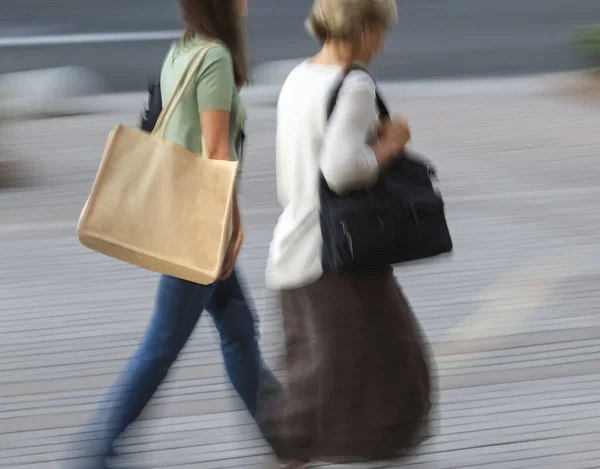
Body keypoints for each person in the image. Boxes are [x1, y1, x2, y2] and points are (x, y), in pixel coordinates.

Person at [65, 1, 281, 468]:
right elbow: (217, 149)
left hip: (187, 215)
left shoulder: (184, 50)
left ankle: (288, 439)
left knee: (239, 328)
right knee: (163, 343)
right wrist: (230, 224)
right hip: (198, 224)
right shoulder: (216, 58)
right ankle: (96, 452)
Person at [261, 0, 433, 464]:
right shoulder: (354, 83)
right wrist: (391, 144)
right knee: (392, 368)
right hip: (337, 254)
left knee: (315, 371)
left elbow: (303, 163)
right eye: (381, 30)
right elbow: (340, 170)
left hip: (293, 243)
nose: (382, 42)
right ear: (366, 28)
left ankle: (294, 453)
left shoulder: (300, 76)